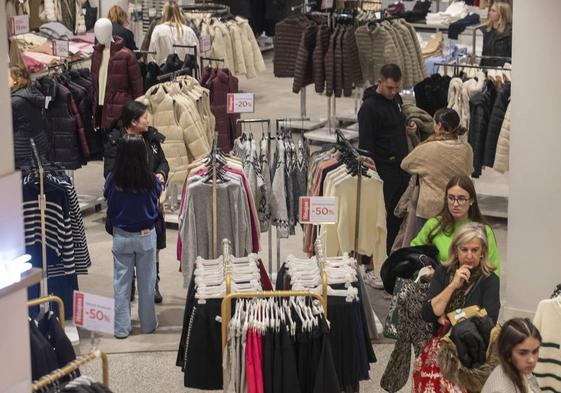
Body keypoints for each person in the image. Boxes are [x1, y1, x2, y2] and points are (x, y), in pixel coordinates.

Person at [104, 101, 169, 303]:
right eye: (144, 117)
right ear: (133, 121)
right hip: (129, 204)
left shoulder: (151, 138)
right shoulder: (116, 141)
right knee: (129, 250)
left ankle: (152, 283)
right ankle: (129, 283)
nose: (148, 120)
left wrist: (160, 174)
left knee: (154, 243)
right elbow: (109, 173)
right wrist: (139, 182)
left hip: (151, 201)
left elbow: (163, 163)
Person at [104, 134, 162, 339]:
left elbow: (107, 197)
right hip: (146, 235)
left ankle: (121, 328)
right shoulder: (150, 179)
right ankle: (147, 324)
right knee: (147, 283)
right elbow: (156, 196)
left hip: (121, 235)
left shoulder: (113, 178)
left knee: (121, 283)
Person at [358, 64, 417, 253]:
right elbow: (366, 147)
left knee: (399, 216)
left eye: (397, 88)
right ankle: (380, 256)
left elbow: (395, 126)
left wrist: (407, 129)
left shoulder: (396, 100)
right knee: (382, 218)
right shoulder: (368, 109)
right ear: (380, 83)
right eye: (390, 88)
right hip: (384, 172)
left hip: (401, 169)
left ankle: (394, 252)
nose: (394, 92)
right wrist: (374, 175)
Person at [411, 175, 500, 276]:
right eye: (451, 198)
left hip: (474, 289)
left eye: (461, 199)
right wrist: (425, 272)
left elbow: (494, 269)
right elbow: (412, 255)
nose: (455, 204)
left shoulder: (484, 231)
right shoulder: (434, 225)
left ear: (471, 200)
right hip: (438, 287)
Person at [401, 108, 474, 231]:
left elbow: (405, 164)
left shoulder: (427, 148)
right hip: (457, 208)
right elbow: (468, 171)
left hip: (429, 209)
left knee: (427, 248)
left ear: (439, 126)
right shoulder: (466, 149)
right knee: (452, 248)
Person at [421, 222, 500, 330]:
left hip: (472, 344)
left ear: (482, 252)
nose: (469, 256)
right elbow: (427, 314)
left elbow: (489, 323)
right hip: (441, 343)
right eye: (464, 249)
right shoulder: (443, 271)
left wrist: (451, 319)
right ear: (456, 251)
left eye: (475, 250)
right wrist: (453, 285)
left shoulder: (490, 280)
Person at [482, 318, 542, 393]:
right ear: (507, 353)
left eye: (535, 351)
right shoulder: (501, 389)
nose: (531, 360)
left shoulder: (519, 369)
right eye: (523, 353)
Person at [148, 1, 198, 65]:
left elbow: (151, 56)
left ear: (164, 13)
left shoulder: (158, 31)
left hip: (163, 72)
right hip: (185, 73)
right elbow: (195, 56)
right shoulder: (189, 32)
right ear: (179, 13)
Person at [481, 2, 512, 67]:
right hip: (487, 71)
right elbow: (484, 54)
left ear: (501, 14)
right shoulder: (487, 30)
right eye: (490, 10)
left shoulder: (509, 32)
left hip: (502, 73)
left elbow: (511, 56)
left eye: (493, 11)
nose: (490, 12)